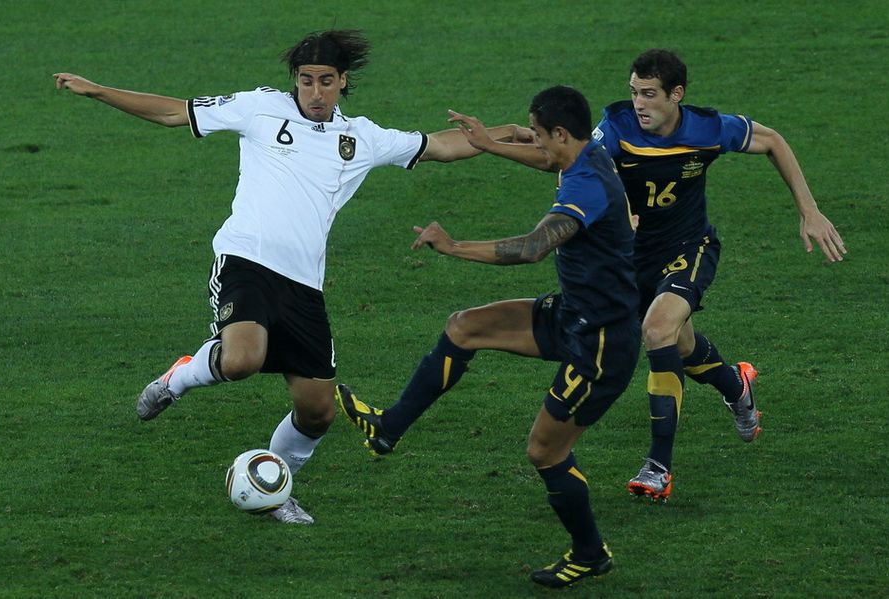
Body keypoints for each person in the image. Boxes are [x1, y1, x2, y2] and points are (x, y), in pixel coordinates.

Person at [53, 29, 524, 525]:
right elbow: (176, 111)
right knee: (241, 361)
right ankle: (180, 376)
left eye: (325, 82)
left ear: (343, 82)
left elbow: (440, 147)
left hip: (304, 285)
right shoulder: (258, 108)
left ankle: (276, 489)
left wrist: (504, 134)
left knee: (317, 413)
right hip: (246, 260)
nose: (315, 93)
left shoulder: (360, 137)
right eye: (305, 81)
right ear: (294, 82)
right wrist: (100, 90)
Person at [339, 85, 641, 588]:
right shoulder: (587, 154)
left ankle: (590, 553)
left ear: (562, 133)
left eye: (540, 136)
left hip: (601, 345)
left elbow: (530, 249)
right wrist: (488, 142)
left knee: (545, 452)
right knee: (465, 326)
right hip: (574, 314)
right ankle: (388, 428)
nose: (537, 144)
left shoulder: (586, 185)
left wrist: (453, 246)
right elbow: (550, 163)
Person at [590, 49, 846, 501]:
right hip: (631, 257)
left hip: (689, 247)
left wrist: (809, 210)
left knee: (657, 329)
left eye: (649, 94)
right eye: (634, 92)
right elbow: (590, 163)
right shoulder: (616, 126)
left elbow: (773, 141)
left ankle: (658, 468)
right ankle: (735, 384)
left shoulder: (708, 129)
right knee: (680, 343)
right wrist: (620, 207)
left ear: (677, 95)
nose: (638, 104)